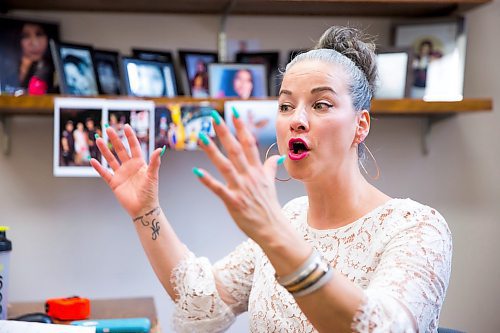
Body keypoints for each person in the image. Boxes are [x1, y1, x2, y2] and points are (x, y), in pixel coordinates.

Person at [90, 26, 452, 332]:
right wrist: (146, 212)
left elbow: (385, 326)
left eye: (321, 104)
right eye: (285, 105)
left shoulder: (416, 228)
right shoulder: (289, 218)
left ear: (361, 124)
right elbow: (202, 300)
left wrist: (274, 234)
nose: (296, 118)